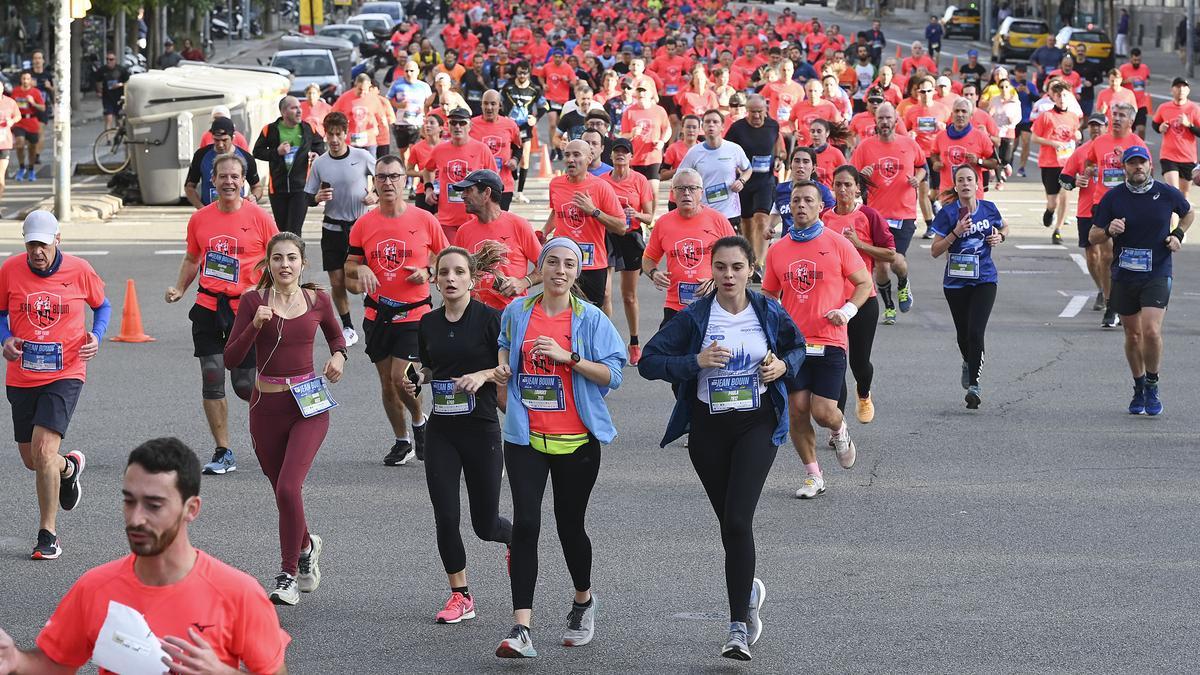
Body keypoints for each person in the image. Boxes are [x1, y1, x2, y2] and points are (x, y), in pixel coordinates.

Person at [639, 235, 804, 661]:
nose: (728, 275)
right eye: (720, 267)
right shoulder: (696, 317)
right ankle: (747, 586)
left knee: (735, 521)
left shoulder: (766, 309)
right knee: (732, 528)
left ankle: (737, 628)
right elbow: (650, 361)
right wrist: (695, 362)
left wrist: (783, 366)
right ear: (710, 270)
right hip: (708, 429)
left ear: (751, 269)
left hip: (757, 423)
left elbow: (797, 347)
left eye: (736, 267)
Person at [0, 437, 291, 673]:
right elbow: (54, 664)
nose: (136, 518)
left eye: (154, 505)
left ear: (191, 509)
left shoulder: (238, 593)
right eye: (130, 501)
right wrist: (15, 660)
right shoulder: (96, 587)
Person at [494, 237, 627, 659]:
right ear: (541, 266)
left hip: (577, 441)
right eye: (552, 262)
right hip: (525, 437)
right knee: (526, 525)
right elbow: (503, 338)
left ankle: (583, 602)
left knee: (570, 524)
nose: (560, 270)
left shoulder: (590, 318)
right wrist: (502, 364)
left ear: (578, 272)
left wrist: (568, 358)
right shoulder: (519, 311)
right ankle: (521, 628)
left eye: (569, 264)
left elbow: (613, 375)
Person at [223, 233, 346, 605]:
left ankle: (288, 573)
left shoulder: (317, 300)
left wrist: (338, 358)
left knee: (289, 488)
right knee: (282, 492)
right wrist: (255, 326)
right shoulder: (252, 302)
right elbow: (231, 358)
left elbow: (339, 340)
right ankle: (307, 543)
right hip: (266, 407)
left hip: (308, 407)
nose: (285, 265)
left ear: (302, 263)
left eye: (292, 258)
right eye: (277, 258)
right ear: (268, 264)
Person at [403, 243, 513, 624]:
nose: (450, 278)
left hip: (481, 428)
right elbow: (428, 365)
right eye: (443, 272)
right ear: (434, 280)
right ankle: (460, 595)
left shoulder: (489, 319)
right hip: (443, 431)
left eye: (458, 272)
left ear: (471, 279)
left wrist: (482, 375)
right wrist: (416, 377)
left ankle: (518, 541)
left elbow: (509, 367)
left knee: (486, 525)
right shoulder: (428, 323)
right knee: (446, 516)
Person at [0, 211, 109, 559]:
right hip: (22, 375)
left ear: (57, 240)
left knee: (44, 451)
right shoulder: (10, 270)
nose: (37, 252)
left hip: (66, 372)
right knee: (34, 459)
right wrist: (5, 339)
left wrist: (97, 334)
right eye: (31, 244)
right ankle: (69, 467)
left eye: (43, 245)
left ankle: (48, 534)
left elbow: (102, 306)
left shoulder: (79, 270)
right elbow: (0, 313)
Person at [166, 153, 279, 476]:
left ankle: (273, 429)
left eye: (234, 176)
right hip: (207, 306)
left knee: (244, 384)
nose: (229, 181)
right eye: (223, 176)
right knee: (212, 375)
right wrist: (179, 288)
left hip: (245, 312)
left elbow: (280, 260)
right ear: (212, 181)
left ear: (243, 181)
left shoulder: (259, 217)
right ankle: (223, 450)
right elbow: (191, 259)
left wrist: (256, 288)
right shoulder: (200, 218)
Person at [762, 181, 871, 500]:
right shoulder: (778, 249)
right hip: (794, 345)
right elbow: (769, 293)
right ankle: (813, 475)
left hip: (830, 339)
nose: (800, 206)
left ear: (819, 206)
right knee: (797, 409)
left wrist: (847, 310)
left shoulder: (836, 243)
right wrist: (776, 319)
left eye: (808, 200)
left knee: (823, 411)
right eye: (795, 200)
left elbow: (863, 283)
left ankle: (840, 431)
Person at [345, 154, 449, 466]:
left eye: (394, 176)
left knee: (401, 377)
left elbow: (446, 259)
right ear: (373, 183)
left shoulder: (424, 220)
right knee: (387, 384)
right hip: (378, 314)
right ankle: (402, 441)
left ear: (405, 180)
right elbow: (349, 265)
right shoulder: (363, 224)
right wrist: (359, 271)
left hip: (414, 313)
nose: (388, 182)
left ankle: (419, 419)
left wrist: (428, 273)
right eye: (381, 177)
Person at [1090, 146, 1192, 416]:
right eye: (1132, 163)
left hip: (1157, 271)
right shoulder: (1113, 197)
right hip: (1124, 274)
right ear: (1124, 167)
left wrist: (1177, 235)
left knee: (1151, 331)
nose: (1137, 168)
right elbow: (1093, 236)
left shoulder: (1166, 193)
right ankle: (1138, 387)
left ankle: (1152, 383)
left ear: (1150, 167)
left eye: (1141, 163)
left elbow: (1189, 212)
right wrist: (1108, 230)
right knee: (1132, 335)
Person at [929, 165, 1009, 409]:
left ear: (977, 185)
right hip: (955, 282)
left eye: (969, 180)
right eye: (960, 180)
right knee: (963, 334)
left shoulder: (989, 209)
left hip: (985, 279)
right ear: (956, 186)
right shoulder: (948, 213)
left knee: (976, 331)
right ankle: (967, 361)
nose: (965, 184)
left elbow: (1004, 227)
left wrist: (1000, 236)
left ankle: (974, 385)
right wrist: (955, 233)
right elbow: (935, 250)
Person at [825, 166, 895, 423]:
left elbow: (890, 253)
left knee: (859, 364)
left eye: (847, 185)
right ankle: (838, 423)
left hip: (863, 300)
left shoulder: (869, 215)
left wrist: (860, 244)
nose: (842, 190)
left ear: (857, 189)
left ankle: (864, 393)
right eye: (838, 185)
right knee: (836, 364)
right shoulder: (824, 218)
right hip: (832, 301)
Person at [305, 111, 377, 348]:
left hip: (359, 227)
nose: (334, 139)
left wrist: (374, 195)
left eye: (338, 134)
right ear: (325, 135)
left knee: (353, 285)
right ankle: (347, 326)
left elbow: (384, 178)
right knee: (336, 282)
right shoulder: (320, 163)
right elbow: (307, 197)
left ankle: (367, 292)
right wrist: (316, 197)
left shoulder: (362, 156)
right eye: (330, 134)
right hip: (332, 227)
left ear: (346, 134)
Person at [850, 103, 926, 325]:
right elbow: (852, 178)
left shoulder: (909, 144)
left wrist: (918, 179)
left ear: (896, 120)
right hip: (875, 215)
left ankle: (903, 282)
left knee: (896, 260)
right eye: (880, 118)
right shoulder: (865, 147)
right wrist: (861, 178)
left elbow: (923, 166)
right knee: (881, 266)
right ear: (876, 121)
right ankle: (889, 306)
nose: (884, 122)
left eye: (888, 118)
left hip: (904, 213)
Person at [643, 168, 739, 327]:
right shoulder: (663, 223)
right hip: (675, 306)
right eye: (680, 188)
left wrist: (715, 281)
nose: (686, 193)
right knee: (663, 351)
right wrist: (654, 273)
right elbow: (648, 259)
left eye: (692, 188)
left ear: (701, 193)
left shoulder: (718, 220)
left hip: (713, 303)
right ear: (673, 193)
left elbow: (738, 261)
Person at [541, 139, 626, 308]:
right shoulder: (556, 184)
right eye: (567, 155)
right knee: (561, 314)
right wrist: (543, 231)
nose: (570, 159)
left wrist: (594, 211)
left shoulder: (601, 187)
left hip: (592, 265)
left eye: (576, 155)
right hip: (562, 264)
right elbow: (556, 212)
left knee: (591, 317)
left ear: (589, 158)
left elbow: (621, 227)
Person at [453, 169, 543, 311]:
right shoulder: (463, 231)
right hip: (474, 314)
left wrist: (524, 282)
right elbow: (455, 272)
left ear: (487, 193)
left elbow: (546, 266)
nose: (463, 196)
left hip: (511, 314)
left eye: (469, 190)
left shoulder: (518, 224)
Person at [600, 138, 655, 363]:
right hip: (608, 236)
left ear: (631, 157)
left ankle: (634, 341)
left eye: (625, 152)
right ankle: (606, 341)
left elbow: (650, 217)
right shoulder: (603, 181)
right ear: (611, 157)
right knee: (604, 293)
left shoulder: (640, 181)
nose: (621, 155)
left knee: (629, 296)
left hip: (631, 237)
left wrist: (636, 213)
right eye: (617, 152)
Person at [1059, 113, 1114, 319]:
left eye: (1099, 126)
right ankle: (1101, 289)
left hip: (1111, 208)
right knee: (1092, 256)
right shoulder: (1081, 152)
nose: (1095, 129)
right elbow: (1063, 178)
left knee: (1110, 255)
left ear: (1107, 127)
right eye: (1092, 126)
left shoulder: (1113, 151)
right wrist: (1076, 181)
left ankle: (1112, 295)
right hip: (1086, 209)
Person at [725, 95, 783, 272]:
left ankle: (759, 263)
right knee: (747, 223)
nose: (757, 116)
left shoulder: (772, 125)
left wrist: (780, 157)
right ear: (746, 111)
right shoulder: (737, 128)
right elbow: (728, 151)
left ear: (765, 111)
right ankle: (750, 257)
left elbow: (778, 142)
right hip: (744, 181)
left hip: (765, 180)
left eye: (760, 112)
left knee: (762, 218)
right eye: (753, 112)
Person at [253, 96, 325, 237]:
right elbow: (257, 152)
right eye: (294, 108)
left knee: (294, 230)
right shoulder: (270, 129)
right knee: (282, 230)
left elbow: (319, 144)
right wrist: (276, 152)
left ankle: (297, 258)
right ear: (283, 112)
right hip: (277, 188)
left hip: (301, 188)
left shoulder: (308, 128)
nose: (299, 111)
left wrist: (316, 154)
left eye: (299, 107)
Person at [423, 108, 495, 242]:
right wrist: (428, 189)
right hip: (447, 219)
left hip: (474, 217)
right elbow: (427, 170)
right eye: (453, 123)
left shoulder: (482, 149)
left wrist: (477, 180)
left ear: (470, 126)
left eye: (462, 123)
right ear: (448, 126)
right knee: (452, 259)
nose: (457, 126)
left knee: (472, 259)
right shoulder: (439, 150)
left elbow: (494, 180)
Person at [679, 110, 753, 233]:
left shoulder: (734, 149)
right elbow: (680, 178)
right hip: (704, 211)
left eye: (715, 122)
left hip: (730, 212)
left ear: (722, 127)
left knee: (730, 250)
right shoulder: (694, 152)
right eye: (707, 122)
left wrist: (741, 180)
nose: (711, 125)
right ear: (702, 127)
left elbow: (748, 169)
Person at [1031, 80, 1082, 245]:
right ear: (1053, 97)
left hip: (1067, 163)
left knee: (1065, 195)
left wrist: (1078, 136)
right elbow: (1034, 138)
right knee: (1053, 201)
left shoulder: (1073, 117)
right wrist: (1053, 143)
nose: (1062, 99)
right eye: (1059, 95)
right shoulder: (1046, 116)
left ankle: (1058, 230)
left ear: (1070, 97)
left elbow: (1075, 134)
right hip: (1049, 163)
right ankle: (1049, 211)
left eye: (1065, 95)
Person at [184, 117, 263, 209]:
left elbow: (257, 187)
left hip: (237, 212)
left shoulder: (246, 157)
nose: (220, 145)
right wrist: (201, 208)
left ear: (233, 137)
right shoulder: (201, 155)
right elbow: (189, 187)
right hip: (210, 213)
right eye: (216, 140)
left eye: (224, 140)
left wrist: (254, 197)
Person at [500, 62, 546, 204]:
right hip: (509, 127)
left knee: (525, 159)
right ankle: (512, 184)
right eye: (520, 73)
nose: (522, 76)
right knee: (510, 157)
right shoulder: (507, 87)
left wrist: (535, 118)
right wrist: (503, 117)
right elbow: (498, 104)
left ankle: (520, 192)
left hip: (525, 127)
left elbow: (544, 106)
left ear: (529, 74)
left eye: (525, 73)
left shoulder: (534, 89)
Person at [471, 90, 523, 210]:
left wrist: (515, 160)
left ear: (500, 105)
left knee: (499, 221)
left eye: (493, 104)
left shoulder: (510, 125)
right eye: (486, 103)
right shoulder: (471, 125)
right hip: (478, 185)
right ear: (481, 105)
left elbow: (518, 147)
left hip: (503, 184)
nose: (489, 107)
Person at [620, 83, 672, 198]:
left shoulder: (659, 110)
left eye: (644, 91)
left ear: (651, 94)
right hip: (636, 158)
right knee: (638, 193)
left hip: (653, 155)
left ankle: (652, 216)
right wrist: (631, 134)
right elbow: (623, 136)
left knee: (653, 190)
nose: (641, 94)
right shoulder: (629, 112)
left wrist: (662, 141)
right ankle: (641, 215)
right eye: (639, 91)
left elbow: (667, 129)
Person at [1153, 77, 1200, 199]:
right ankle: (1172, 217)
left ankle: (1183, 217)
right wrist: (1160, 128)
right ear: (1172, 90)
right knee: (1173, 192)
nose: (1181, 90)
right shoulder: (1164, 107)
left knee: (1184, 196)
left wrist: (1189, 125)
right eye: (1178, 87)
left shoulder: (1194, 109)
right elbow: (1155, 123)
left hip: (1188, 157)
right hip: (1169, 156)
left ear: (1188, 90)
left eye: (1184, 87)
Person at [388, 60, 434, 156]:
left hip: (418, 124)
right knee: (403, 154)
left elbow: (429, 104)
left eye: (412, 71)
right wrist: (398, 105)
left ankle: (414, 170)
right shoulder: (397, 84)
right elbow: (387, 100)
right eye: (406, 71)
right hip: (401, 123)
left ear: (418, 71)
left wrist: (426, 114)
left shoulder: (424, 86)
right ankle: (406, 170)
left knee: (416, 151)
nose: (409, 73)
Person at [333, 74, 383, 156]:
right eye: (360, 89)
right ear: (355, 86)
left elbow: (381, 118)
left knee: (369, 166)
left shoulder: (374, 98)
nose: (362, 92)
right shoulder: (344, 98)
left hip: (369, 141)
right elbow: (333, 114)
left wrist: (377, 129)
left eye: (365, 90)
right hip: (350, 141)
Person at [9, 72, 44, 182]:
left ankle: (31, 169)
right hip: (19, 121)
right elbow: (11, 105)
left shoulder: (35, 92)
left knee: (32, 148)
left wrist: (33, 103)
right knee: (19, 143)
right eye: (23, 78)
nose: (25, 81)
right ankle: (21, 167)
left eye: (27, 79)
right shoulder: (16, 91)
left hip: (32, 121)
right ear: (21, 79)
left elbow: (42, 108)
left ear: (30, 80)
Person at [95, 52, 128, 130]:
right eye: (107, 59)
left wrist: (120, 85)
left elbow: (127, 82)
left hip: (119, 97)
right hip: (107, 97)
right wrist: (99, 91)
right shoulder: (102, 70)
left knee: (118, 119)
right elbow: (97, 81)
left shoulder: (121, 70)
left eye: (111, 59)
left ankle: (117, 138)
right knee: (108, 117)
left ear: (115, 60)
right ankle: (108, 140)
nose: (109, 61)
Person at [0, 90, 22, 205]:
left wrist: (12, 121)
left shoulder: (10, 102)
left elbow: (18, 115)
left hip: (4, 143)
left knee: (0, 175)